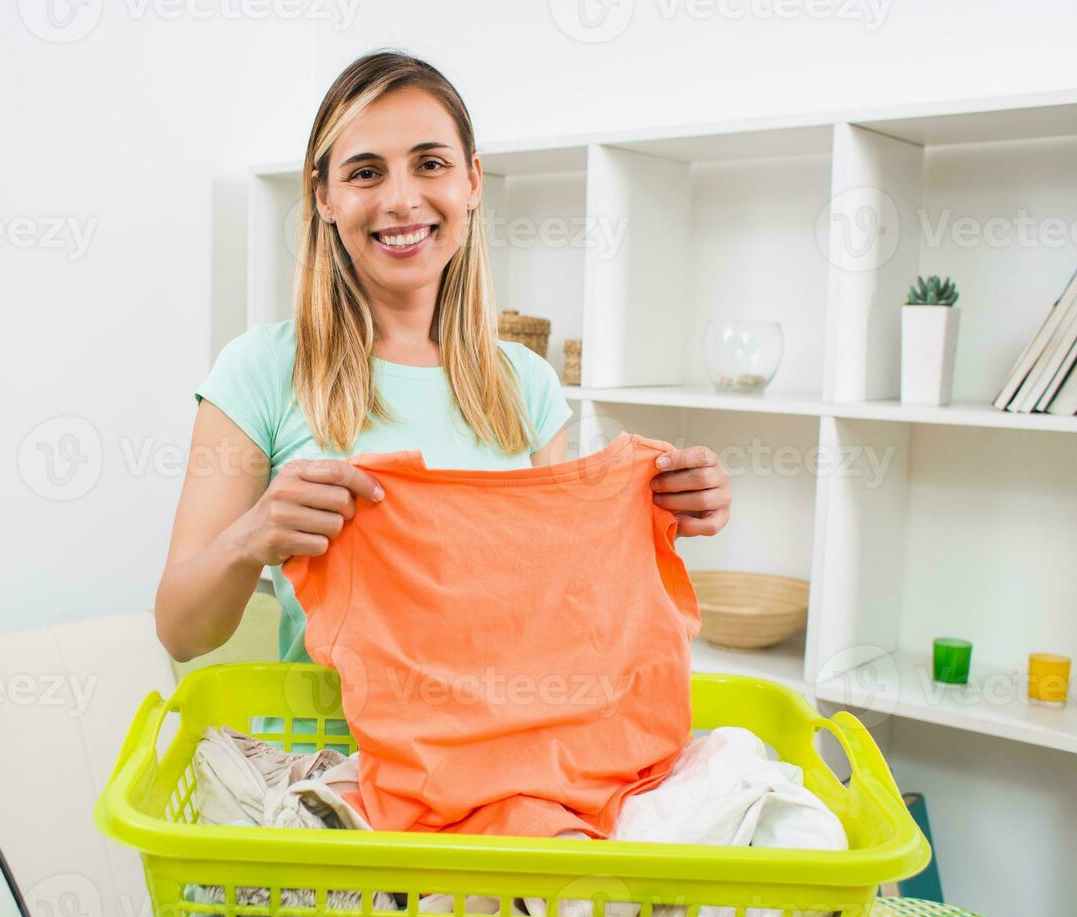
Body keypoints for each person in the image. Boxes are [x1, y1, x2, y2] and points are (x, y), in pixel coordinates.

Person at [155, 49, 731, 674]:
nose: (402, 200)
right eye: (365, 172)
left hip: (496, 743)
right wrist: (252, 537)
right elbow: (182, 633)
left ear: (472, 182)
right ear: (323, 197)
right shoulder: (260, 370)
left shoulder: (527, 386)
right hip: (328, 757)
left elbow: (557, 607)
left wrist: (654, 513)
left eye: (430, 164)